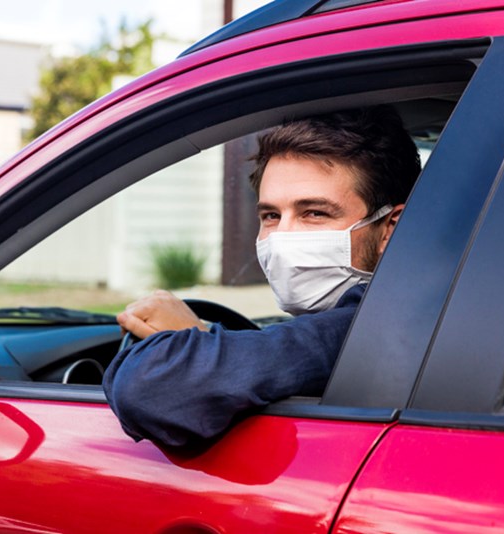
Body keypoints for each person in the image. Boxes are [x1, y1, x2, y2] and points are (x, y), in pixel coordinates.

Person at [103, 105, 421, 449]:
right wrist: (208, 336)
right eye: (271, 215)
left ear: (391, 229)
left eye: (314, 213)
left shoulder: (378, 326)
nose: (282, 238)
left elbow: (153, 388)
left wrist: (195, 342)